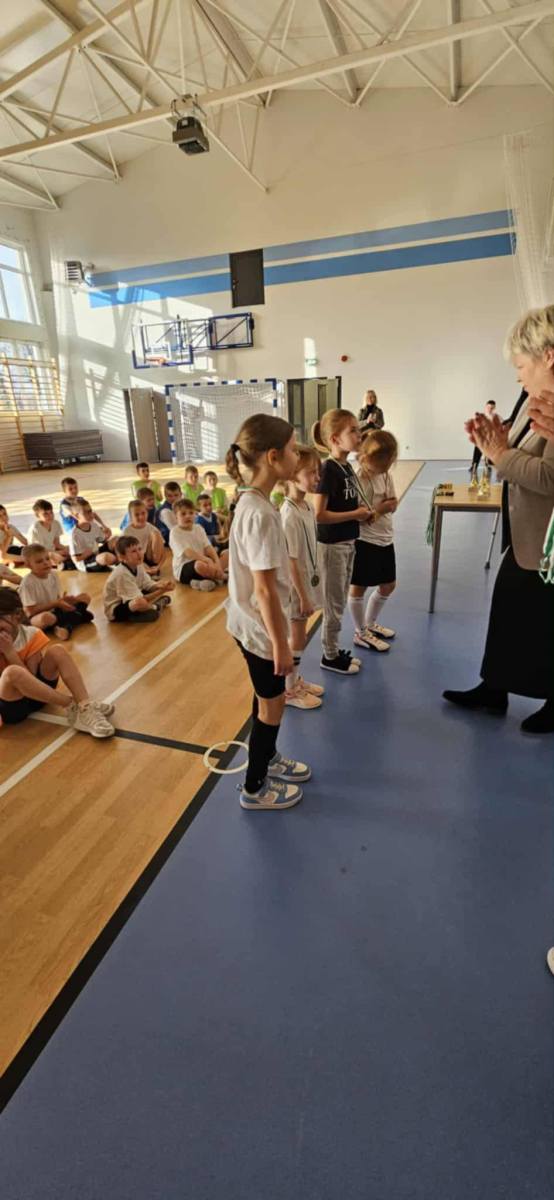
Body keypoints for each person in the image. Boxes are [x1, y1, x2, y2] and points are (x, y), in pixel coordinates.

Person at [444, 304, 554, 734]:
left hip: (547, 539)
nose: (518, 376)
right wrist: (496, 442)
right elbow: (517, 455)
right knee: (508, 607)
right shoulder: (535, 402)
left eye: (521, 365)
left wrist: (500, 454)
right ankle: (494, 687)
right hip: (526, 532)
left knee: (545, 620)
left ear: (548, 356)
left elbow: (548, 476)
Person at [225, 414, 311, 811]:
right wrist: (280, 644)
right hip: (260, 631)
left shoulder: (254, 501)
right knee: (272, 708)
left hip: (250, 625)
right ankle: (254, 788)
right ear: (273, 457)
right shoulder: (259, 513)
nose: (298, 456)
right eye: (293, 449)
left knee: (265, 700)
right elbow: (263, 590)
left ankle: (269, 756)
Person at [0, 588, 114, 736]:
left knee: (57, 650)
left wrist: (10, 652)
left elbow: (31, 679)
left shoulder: (31, 634)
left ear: (16, 615)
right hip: (13, 706)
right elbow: (15, 682)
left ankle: (85, 705)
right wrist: (8, 652)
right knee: (12, 672)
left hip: (38, 696)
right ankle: (72, 706)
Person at [312, 409, 372, 675]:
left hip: (348, 541)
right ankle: (329, 655)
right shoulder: (328, 469)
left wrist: (362, 515)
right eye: (353, 431)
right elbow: (319, 514)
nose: (359, 435)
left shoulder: (346, 466)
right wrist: (355, 515)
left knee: (340, 600)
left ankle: (334, 649)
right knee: (334, 603)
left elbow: (348, 503)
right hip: (332, 546)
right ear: (335, 439)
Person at [280, 446, 324, 711]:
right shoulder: (289, 515)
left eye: (318, 472)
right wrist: (304, 596)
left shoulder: (306, 506)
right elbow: (291, 562)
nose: (317, 478)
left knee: (300, 635)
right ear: (292, 476)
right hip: (296, 589)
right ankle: (288, 690)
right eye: (311, 473)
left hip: (307, 583)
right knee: (296, 638)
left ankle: (294, 679)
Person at [349, 430, 399, 652]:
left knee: (388, 585)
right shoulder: (356, 479)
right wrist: (378, 509)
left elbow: (393, 503)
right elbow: (360, 516)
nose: (385, 470)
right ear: (366, 459)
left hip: (385, 537)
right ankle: (360, 632)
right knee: (358, 587)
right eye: (381, 466)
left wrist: (378, 511)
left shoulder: (386, 475)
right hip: (364, 541)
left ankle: (369, 624)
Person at [19, 545, 93, 639]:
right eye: (39, 561)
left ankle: (66, 622)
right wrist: (56, 603)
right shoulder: (27, 583)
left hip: (55, 610)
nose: (45, 563)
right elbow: (30, 611)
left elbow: (58, 600)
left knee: (85, 597)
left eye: (47, 559)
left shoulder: (53, 574)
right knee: (46, 617)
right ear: (28, 565)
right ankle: (73, 620)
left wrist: (65, 601)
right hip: (36, 617)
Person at [104, 536, 175, 623]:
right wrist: (162, 591)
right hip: (117, 609)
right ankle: (156, 606)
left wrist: (161, 585)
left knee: (149, 593)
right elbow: (140, 599)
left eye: (140, 549)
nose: (139, 553)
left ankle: (148, 608)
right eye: (133, 551)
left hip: (130, 596)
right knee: (141, 603)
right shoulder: (121, 574)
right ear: (122, 557)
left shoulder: (138, 564)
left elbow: (147, 584)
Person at [169, 499, 228, 590]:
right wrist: (207, 560)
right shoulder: (175, 532)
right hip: (184, 568)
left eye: (191, 513)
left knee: (227, 553)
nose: (188, 516)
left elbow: (208, 547)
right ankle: (221, 576)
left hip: (204, 561)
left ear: (195, 514)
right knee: (199, 565)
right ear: (176, 517)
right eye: (183, 514)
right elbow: (188, 552)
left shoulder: (198, 528)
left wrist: (217, 562)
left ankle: (209, 577)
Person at [69, 500, 117, 573]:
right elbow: (75, 559)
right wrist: (86, 554)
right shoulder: (75, 534)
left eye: (90, 511)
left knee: (116, 540)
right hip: (85, 562)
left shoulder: (93, 525)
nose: (91, 514)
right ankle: (120, 562)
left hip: (96, 553)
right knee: (105, 557)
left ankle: (118, 560)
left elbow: (101, 540)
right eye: (86, 512)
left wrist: (107, 536)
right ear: (77, 516)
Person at [29, 499, 72, 567]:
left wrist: (67, 549)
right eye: (45, 514)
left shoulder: (56, 523)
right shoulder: (35, 528)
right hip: (39, 553)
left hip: (53, 550)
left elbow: (57, 544)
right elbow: (40, 551)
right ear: (38, 516)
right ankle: (65, 562)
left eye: (51, 512)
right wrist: (60, 552)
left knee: (72, 548)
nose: (50, 516)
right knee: (52, 556)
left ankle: (65, 561)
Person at [124, 500, 165, 571]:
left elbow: (163, 552)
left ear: (147, 513)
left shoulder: (152, 528)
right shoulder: (127, 531)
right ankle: (144, 570)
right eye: (137, 515)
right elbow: (126, 555)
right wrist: (142, 567)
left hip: (150, 558)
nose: (141, 517)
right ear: (131, 516)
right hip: (135, 560)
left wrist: (158, 567)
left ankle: (151, 568)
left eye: (143, 513)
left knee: (155, 533)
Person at [470, 401, 500, 473]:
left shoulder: (497, 417)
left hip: (490, 438)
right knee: (477, 453)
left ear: (494, 408)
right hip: (481, 438)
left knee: (488, 454)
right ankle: (474, 467)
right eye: (489, 407)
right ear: (486, 407)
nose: (490, 409)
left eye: (492, 408)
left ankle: (487, 467)